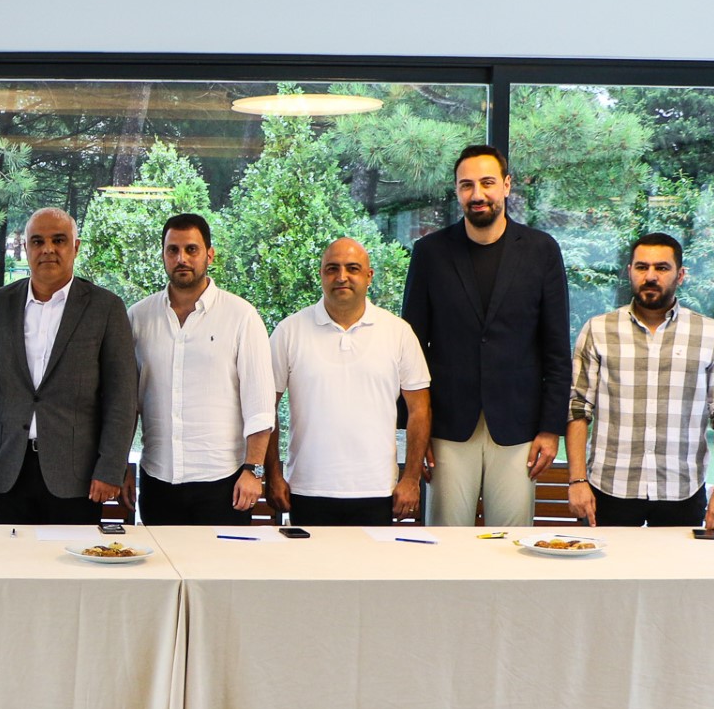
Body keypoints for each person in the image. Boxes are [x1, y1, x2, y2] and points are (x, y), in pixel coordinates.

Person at [401, 144, 571, 527]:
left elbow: (557, 350)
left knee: (511, 547)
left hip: (519, 427)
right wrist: (414, 436)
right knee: (443, 542)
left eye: (487, 183)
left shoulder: (542, 251)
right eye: (467, 185)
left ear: (507, 186)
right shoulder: (430, 253)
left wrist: (550, 428)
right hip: (446, 428)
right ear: (457, 191)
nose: (477, 194)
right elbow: (411, 351)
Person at [0, 207, 137, 525]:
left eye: (58, 240)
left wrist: (110, 468)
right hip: (7, 471)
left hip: (78, 477)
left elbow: (122, 399)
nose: (47, 249)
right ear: (26, 247)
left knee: (71, 558)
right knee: (11, 557)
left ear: (76, 246)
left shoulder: (106, 308)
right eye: (37, 241)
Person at [568, 232, 714, 530]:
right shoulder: (598, 330)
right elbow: (578, 408)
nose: (650, 276)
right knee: (608, 563)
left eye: (662, 268)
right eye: (642, 267)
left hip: (682, 489)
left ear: (680, 275)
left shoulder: (709, 333)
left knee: (679, 564)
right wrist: (577, 480)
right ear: (630, 272)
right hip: (610, 487)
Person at [266, 238, 432, 526]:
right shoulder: (289, 331)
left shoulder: (398, 332)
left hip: (377, 490)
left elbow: (420, 410)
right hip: (306, 489)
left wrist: (410, 478)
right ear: (321, 275)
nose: (341, 277)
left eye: (352, 268)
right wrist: (273, 475)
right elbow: (266, 407)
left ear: (369, 276)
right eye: (332, 269)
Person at [127, 215, 274, 526]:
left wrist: (253, 470)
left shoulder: (241, 317)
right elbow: (126, 405)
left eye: (191, 249)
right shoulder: (138, 318)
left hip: (224, 483)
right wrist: (120, 467)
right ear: (163, 255)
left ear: (210, 254)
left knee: (221, 560)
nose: (182, 258)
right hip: (157, 481)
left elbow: (260, 406)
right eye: (173, 250)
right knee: (161, 559)